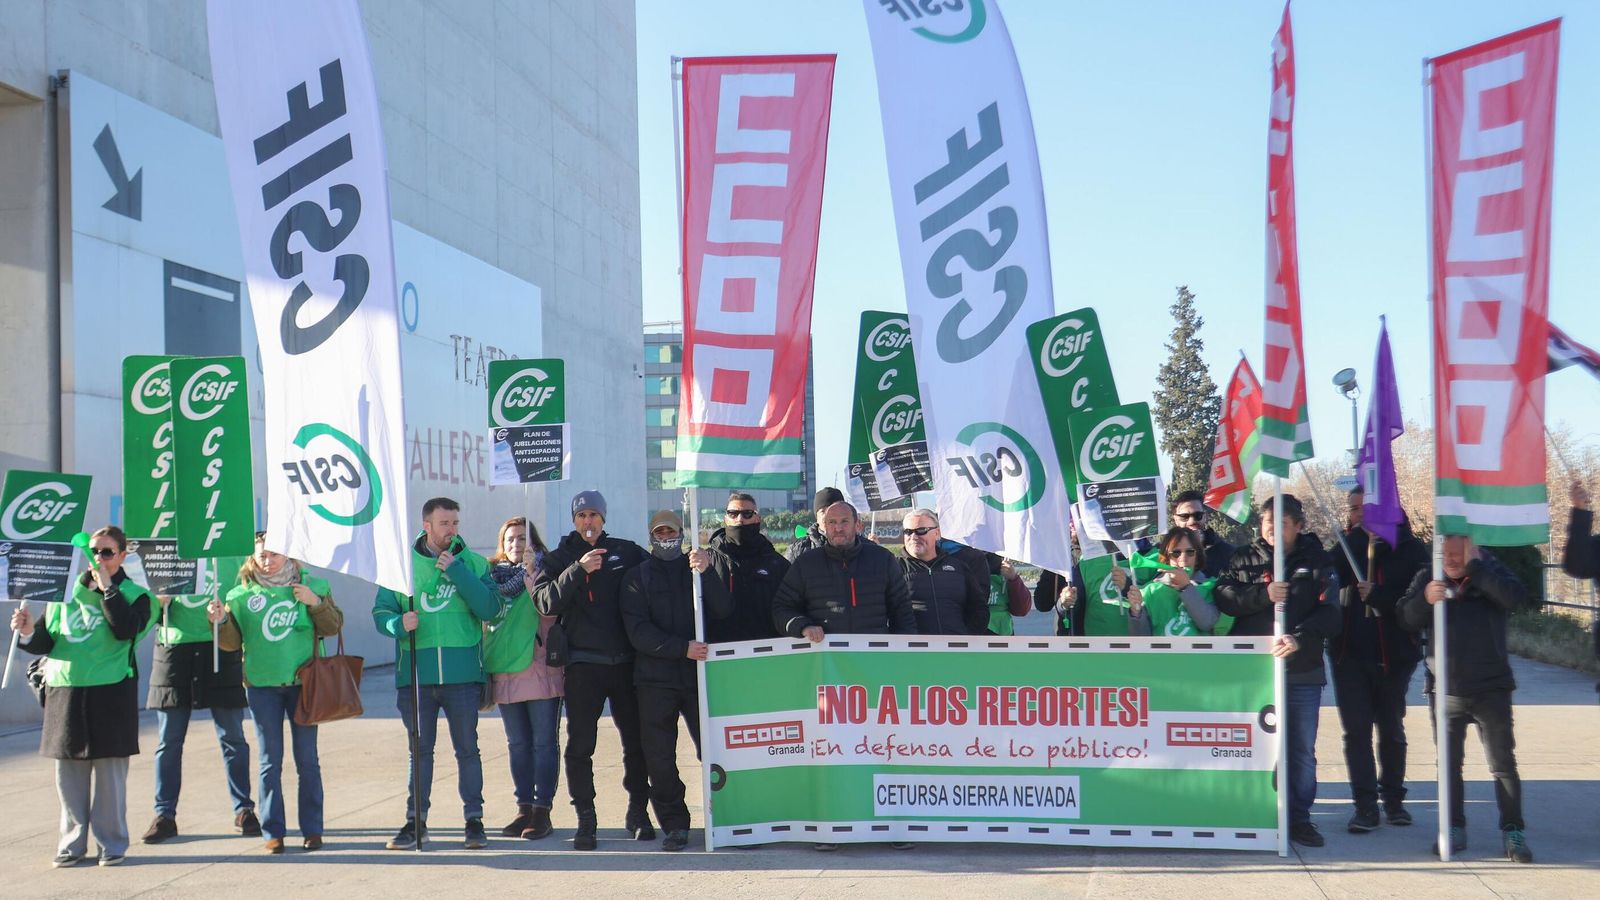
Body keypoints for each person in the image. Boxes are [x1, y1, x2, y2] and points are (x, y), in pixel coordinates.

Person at [771, 500, 916, 852]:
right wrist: (803, 626)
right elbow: (781, 609)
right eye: (831, 522)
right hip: (827, 680)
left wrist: (904, 660)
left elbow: (902, 612)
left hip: (876, 676)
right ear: (822, 526)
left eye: (844, 521)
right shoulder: (806, 564)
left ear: (857, 523)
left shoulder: (882, 561)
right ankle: (830, 826)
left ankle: (893, 825)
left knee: (883, 750)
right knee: (832, 754)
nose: (837, 528)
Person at [11, 526, 153, 867]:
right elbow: (48, 641)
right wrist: (29, 630)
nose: (97, 558)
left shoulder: (136, 595)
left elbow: (125, 631)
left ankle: (112, 844)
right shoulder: (64, 591)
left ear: (121, 556)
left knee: (110, 780)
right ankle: (71, 844)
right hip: (66, 693)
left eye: (106, 552)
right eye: (92, 551)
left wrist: (108, 590)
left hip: (110, 692)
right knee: (69, 780)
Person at [373, 497, 501, 851]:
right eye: (445, 523)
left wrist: (457, 571)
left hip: (462, 676)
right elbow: (380, 612)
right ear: (426, 525)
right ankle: (417, 822)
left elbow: (490, 607)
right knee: (420, 752)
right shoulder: (402, 566)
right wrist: (398, 623)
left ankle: (474, 821)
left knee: (467, 750)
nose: (452, 530)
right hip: (416, 676)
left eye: (455, 523)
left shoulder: (472, 562)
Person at [1214, 494, 1340, 848]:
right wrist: (1262, 594)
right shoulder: (1242, 557)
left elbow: (1331, 614)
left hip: (1301, 670)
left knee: (1300, 749)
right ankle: (1251, 811)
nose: (1271, 528)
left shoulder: (1318, 561)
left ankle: (1299, 818)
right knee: (1249, 746)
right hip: (1252, 675)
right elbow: (1224, 597)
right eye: (1267, 521)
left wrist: (1299, 638)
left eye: (1281, 523)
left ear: (1299, 526)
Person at [1398, 534, 1532, 862]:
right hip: (1445, 690)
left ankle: (1513, 830)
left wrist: (1478, 569)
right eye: (1446, 554)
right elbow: (1404, 618)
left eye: (1459, 554)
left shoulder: (1491, 570)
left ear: (1473, 550)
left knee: (1502, 765)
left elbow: (1514, 598)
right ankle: (1453, 827)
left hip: (1491, 688)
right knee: (1448, 765)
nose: (1451, 560)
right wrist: (1423, 601)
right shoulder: (1428, 575)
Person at [534, 490, 651, 851]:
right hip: (583, 665)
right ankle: (586, 818)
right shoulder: (558, 557)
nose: (588, 522)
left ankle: (638, 811)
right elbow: (545, 601)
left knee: (636, 743)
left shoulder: (626, 551)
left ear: (603, 518)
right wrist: (577, 569)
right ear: (574, 520)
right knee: (580, 747)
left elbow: (660, 572)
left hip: (625, 664)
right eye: (582, 515)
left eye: (594, 515)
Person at [210, 535, 343, 853]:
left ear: (289, 554)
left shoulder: (313, 585)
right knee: (270, 762)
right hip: (261, 686)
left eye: (273, 554)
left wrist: (316, 603)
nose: (266, 560)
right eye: (261, 556)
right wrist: (221, 621)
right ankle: (273, 832)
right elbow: (230, 643)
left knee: (307, 761)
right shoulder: (240, 594)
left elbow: (333, 626)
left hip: (305, 685)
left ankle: (312, 830)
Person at [620, 510, 733, 851]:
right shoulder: (636, 577)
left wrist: (708, 572)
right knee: (660, 758)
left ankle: (726, 818)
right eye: (660, 532)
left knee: (713, 751)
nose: (666, 537)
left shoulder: (697, 570)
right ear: (651, 536)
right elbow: (638, 633)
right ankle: (675, 824)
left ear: (682, 533)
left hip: (698, 678)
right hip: (655, 681)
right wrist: (681, 648)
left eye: (672, 531)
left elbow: (724, 609)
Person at [1327, 490, 1428, 833]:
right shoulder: (1347, 546)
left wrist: (1379, 596)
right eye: (1353, 510)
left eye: (1363, 509)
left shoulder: (1410, 549)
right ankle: (1365, 806)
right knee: (1356, 733)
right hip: (1349, 655)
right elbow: (1329, 573)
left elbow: (1416, 604)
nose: (1356, 515)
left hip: (1393, 657)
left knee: (1391, 730)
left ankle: (1394, 801)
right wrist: (1357, 540)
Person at [141, 557, 258, 846]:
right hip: (173, 649)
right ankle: (164, 815)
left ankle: (244, 809)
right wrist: (158, 603)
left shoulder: (229, 553)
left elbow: (245, 600)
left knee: (233, 736)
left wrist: (228, 617)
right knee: (169, 741)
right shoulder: (163, 555)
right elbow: (138, 613)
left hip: (220, 646)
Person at [483, 516, 563, 841]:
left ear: (535, 543)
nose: (516, 544)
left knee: (544, 744)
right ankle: (523, 808)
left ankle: (542, 811)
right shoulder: (492, 580)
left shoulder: (547, 571)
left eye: (522, 538)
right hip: (505, 670)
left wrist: (532, 575)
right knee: (517, 745)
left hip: (540, 668)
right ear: (502, 546)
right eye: (510, 539)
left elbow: (550, 612)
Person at [705, 492, 789, 643]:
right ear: (725, 519)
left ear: (757, 518)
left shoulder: (777, 563)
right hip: (719, 654)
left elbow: (790, 606)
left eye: (747, 514)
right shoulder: (707, 561)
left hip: (768, 652)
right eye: (733, 513)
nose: (740, 519)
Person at [898, 508, 988, 635]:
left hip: (955, 648)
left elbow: (978, 608)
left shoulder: (959, 568)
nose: (913, 537)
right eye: (908, 532)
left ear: (937, 533)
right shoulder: (894, 569)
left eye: (921, 531)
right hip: (912, 650)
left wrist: (967, 637)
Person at [1127, 527, 1223, 637]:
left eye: (1190, 552)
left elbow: (1207, 623)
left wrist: (1186, 587)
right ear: (1166, 558)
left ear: (1198, 556)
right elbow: (1140, 640)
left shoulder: (1211, 586)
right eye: (1176, 553)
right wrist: (1136, 613)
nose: (1183, 558)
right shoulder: (1150, 591)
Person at [1171, 489, 1236, 577]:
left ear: (1205, 517)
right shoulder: (1164, 554)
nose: (1192, 521)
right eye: (1184, 517)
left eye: (1198, 515)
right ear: (1175, 519)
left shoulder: (1228, 554)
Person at [787, 487, 845, 562]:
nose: (827, 515)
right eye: (823, 511)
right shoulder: (798, 550)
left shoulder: (858, 545)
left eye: (832, 510)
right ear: (817, 516)